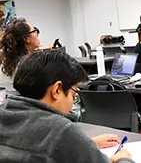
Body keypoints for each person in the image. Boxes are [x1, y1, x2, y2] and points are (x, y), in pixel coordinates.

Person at [0, 50, 134, 163]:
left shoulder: (5, 113)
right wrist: (123, 159)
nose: (73, 100)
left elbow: (30, 144)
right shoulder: (61, 130)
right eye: (73, 93)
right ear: (57, 90)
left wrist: (83, 145)